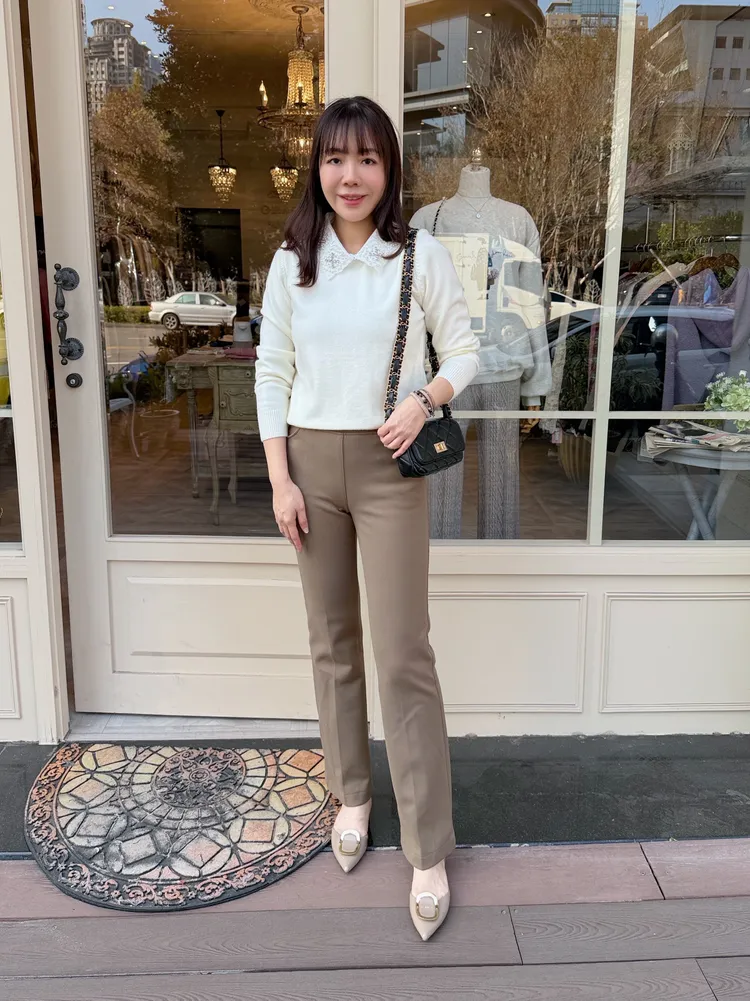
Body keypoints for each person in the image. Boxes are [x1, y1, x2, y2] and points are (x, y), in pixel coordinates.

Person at [254, 95, 480, 941]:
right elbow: (272, 370)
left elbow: (466, 349)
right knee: (331, 640)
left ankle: (427, 844)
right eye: (335, 158)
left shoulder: (419, 255)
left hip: (391, 467)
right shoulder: (292, 262)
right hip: (309, 466)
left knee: (404, 653)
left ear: (390, 169)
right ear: (317, 167)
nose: (350, 176)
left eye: (368, 159)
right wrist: (280, 480)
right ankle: (351, 794)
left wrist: (424, 400)